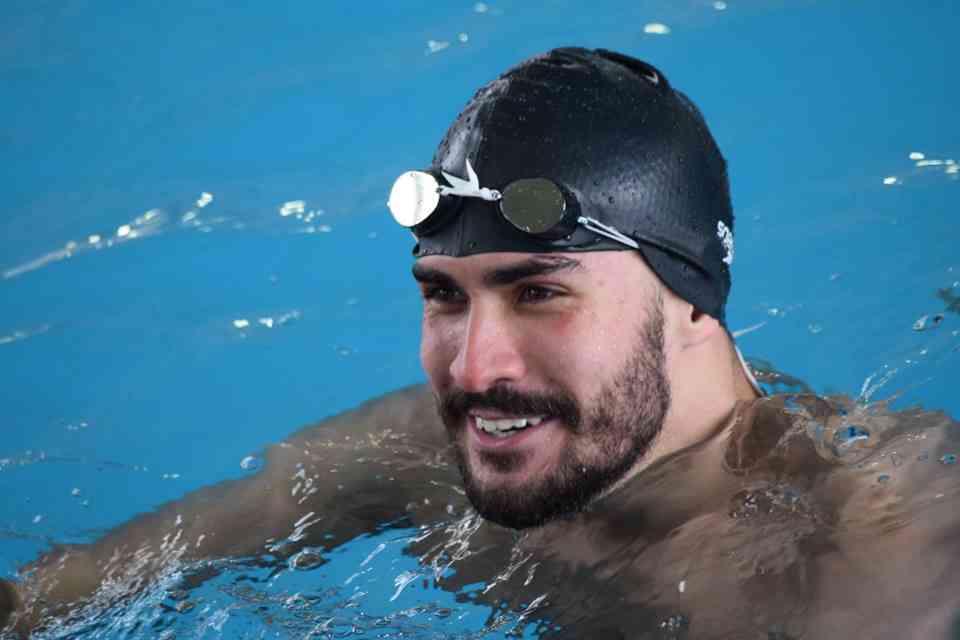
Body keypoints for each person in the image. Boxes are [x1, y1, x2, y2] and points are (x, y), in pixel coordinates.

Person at [3, 47, 960, 639]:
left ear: (693, 300)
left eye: (539, 292)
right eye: (443, 296)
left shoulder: (883, 543)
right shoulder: (423, 453)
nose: (472, 370)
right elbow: (67, 595)